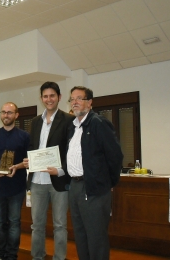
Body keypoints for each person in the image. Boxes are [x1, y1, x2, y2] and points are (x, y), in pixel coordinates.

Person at [66, 86, 123, 260]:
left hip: (94, 189)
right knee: (81, 235)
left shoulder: (98, 123)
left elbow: (115, 156)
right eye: (72, 99)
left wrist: (107, 184)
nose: (75, 102)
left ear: (89, 103)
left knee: (96, 237)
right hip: (74, 187)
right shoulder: (73, 127)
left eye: (79, 98)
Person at [23, 81, 72, 260]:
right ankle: (38, 257)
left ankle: (59, 258)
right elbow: (31, 146)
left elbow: (70, 151)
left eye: (52, 96)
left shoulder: (68, 120)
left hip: (58, 181)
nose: (49, 99)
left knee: (60, 225)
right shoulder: (35, 121)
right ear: (41, 98)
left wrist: (60, 171)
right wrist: (29, 161)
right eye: (45, 96)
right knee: (37, 225)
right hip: (37, 181)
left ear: (59, 97)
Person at [0, 102, 30, 260]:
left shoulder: (24, 136)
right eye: (3, 112)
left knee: (14, 223)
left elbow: (29, 161)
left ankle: (11, 256)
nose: (6, 115)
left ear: (16, 115)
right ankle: (0, 255)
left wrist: (17, 166)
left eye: (10, 113)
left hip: (16, 188)